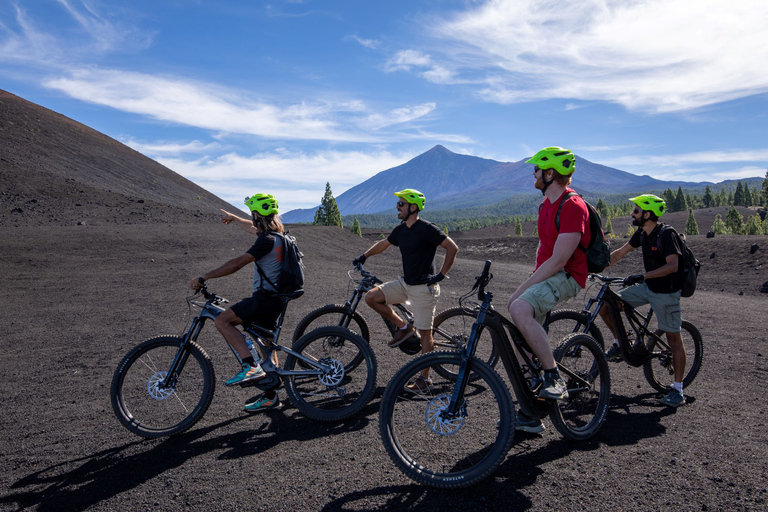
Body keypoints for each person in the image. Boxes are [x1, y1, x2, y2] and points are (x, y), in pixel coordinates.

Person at [507, 146, 590, 433]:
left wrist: (524, 288)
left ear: (550, 173)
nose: (533, 174)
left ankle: (553, 375)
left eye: (537, 169)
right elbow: (544, 251)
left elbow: (559, 260)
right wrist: (532, 279)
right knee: (518, 336)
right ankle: (531, 411)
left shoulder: (573, 206)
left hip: (568, 275)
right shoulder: (545, 205)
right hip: (547, 274)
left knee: (518, 307)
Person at [353, 188, 459, 393]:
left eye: (401, 204)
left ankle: (425, 379)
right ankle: (404, 327)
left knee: (425, 333)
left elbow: (452, 247)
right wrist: (364, 256)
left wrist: (441, 275)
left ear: (413, 207)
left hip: (424, 288)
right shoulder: (401, 230)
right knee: (372, 297)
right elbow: (383, 244)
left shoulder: (427, 228)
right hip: (405, 284)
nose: (397, 207)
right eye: (398, 204)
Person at [190, 193, 285, 413]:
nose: (251, 218)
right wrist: (234, 218)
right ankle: (270, 396)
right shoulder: (279, 236)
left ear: (257, 215)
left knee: (223, 321)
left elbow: (237, 263)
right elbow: (251, 228)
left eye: (252, 213)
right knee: (266, 344)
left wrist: (205, 277)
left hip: (264, 298)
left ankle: (250, 367)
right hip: (277, 298)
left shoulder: (266, 241)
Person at [598, 194, 686, 407]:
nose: (632, 214)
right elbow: (619, 254)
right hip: (648, 287)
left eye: (636, 211)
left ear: (648, 214)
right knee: (607, 305)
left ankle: (678, 390)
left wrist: (643, 276)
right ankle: (620, 343)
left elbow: (673, 266)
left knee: (673, 339)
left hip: (666, 292)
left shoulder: (667, 235)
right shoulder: (642, 234)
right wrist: (595, 267)